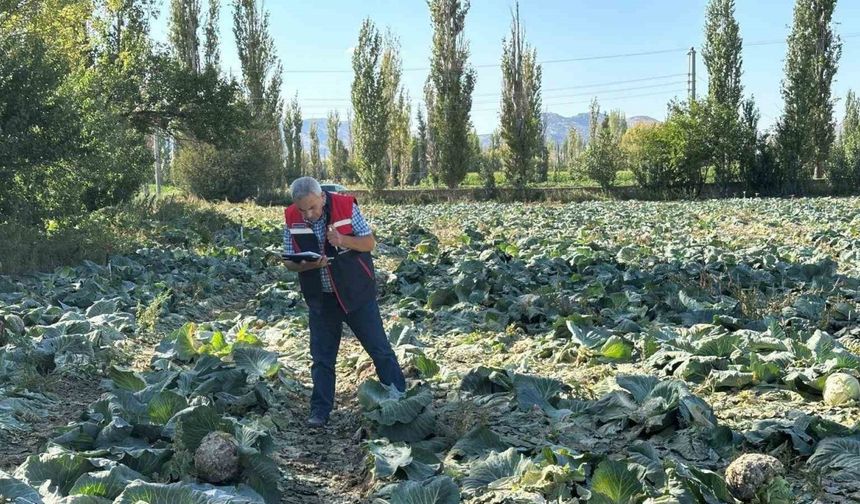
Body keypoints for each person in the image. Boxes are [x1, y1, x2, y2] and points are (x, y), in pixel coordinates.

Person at [282, 177, 406, 427]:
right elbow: (288, 262)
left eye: (312, 207)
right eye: (303, 210)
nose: (308, 214)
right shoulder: (291, 217)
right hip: (321, 298)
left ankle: (401, 400)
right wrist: (307, 265)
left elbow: (369, 242)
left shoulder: (346, 207)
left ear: (322, 198)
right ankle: (320, 411)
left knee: (380, 350)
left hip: (356, 293)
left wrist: (342, 240)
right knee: (322, 358)